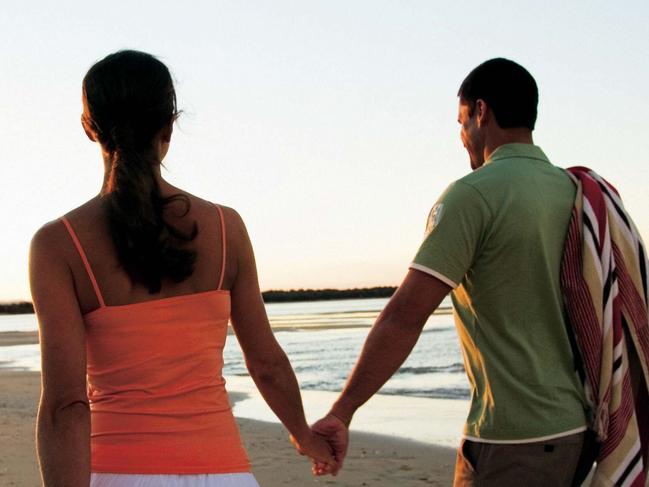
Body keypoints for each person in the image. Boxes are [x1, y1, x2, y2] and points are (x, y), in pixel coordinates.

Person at [30, 50, 333, 487]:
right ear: (169, 124)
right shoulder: (226, 227)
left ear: (88, 127)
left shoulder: (59, 245)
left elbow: (66, 405)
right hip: (225, 473)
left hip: (118, 473)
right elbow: (265, 361)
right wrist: (304, 436)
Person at [312, 58, 593, 486]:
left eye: (461, 122)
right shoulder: (577, 193)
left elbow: (404, 316)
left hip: (512, 440)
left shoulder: (473, 196)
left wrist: (343, 411)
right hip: (577, 433)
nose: (462, 138)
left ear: (482, 112)